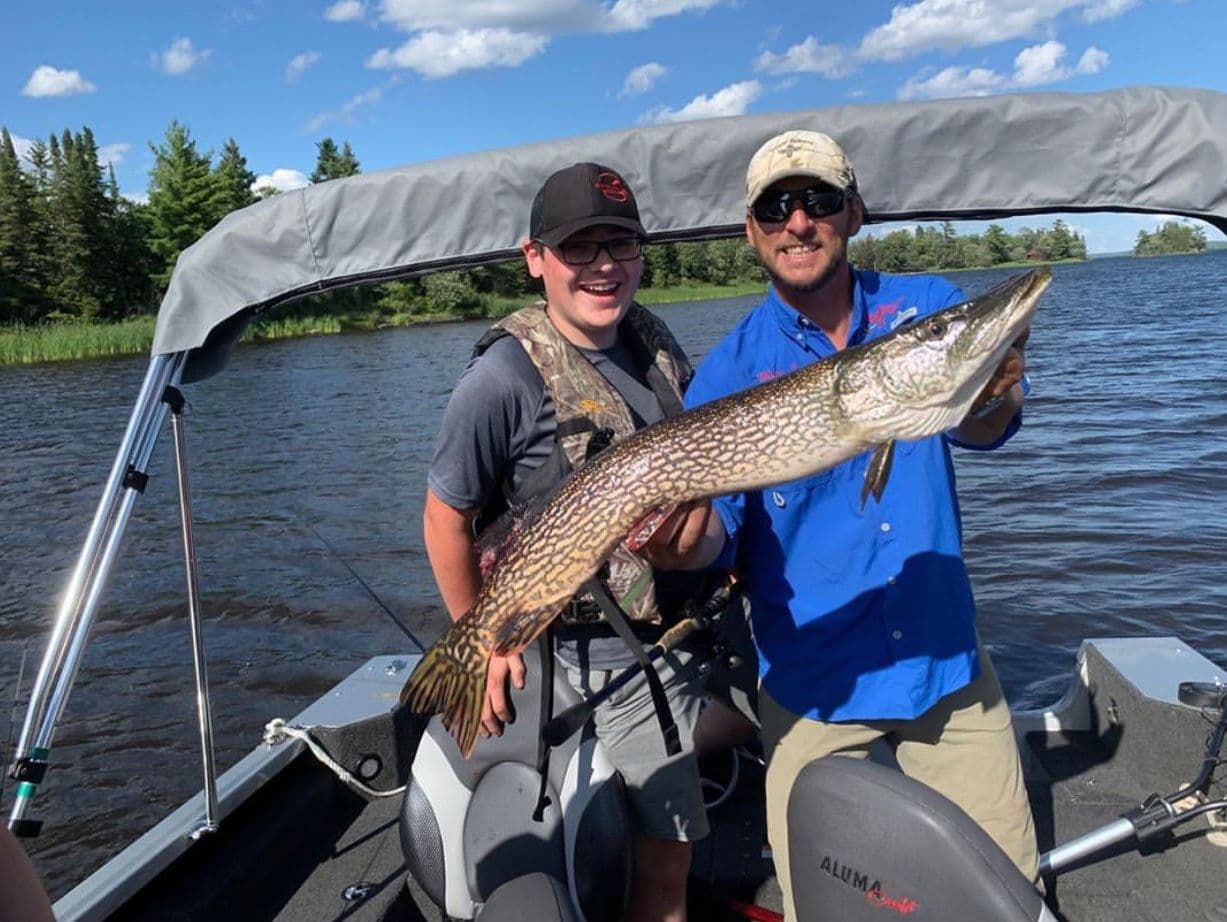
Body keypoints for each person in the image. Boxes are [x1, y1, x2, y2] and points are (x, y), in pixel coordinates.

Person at [645, 130, 1040, 919]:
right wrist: (680, 542)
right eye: (776, 207)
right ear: (752, 230)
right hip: (810, 686)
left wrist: (996, 387)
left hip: (945, 668)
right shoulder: (725, 371)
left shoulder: (924, 308)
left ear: (852, 213)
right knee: (821, 906)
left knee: (1007, 898)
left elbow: (984, 429)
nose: (799, 222)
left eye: (819, 201)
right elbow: (713, 536)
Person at [423, 161, 741, 922]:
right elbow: (444, 518)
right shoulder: (500, 379)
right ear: (536, 259)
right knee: (667, 856)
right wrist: (487, 641)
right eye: (579, 248)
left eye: (620, 246)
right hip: (602, 651)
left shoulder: (651, 343)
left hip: (688, 622)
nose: (603, 266)